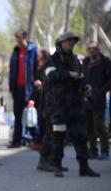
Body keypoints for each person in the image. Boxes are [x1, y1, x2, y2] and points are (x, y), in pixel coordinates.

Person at [44, 31, 100, 178]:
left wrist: (86, 87)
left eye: (72, 41)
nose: (71, 43)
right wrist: (68, 74)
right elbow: (50, 77)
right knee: (58, 137)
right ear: (60, 43)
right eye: (68, 41)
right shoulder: (52, 60)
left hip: (76, 104)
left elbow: (81, 78)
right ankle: (57, 166)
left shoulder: (76, 60)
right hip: (59, 105)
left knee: (80, 135)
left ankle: (84, 167)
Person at [8, 30, 38, 148]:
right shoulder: (15, 51)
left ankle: (36, 140)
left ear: (25, 37)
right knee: (18, 115)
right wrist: (11, 86)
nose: (18, 41)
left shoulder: (32, 50)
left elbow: (37, 68)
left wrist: (36, 84)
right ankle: (17, 141)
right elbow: (12, 71)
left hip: (29, 88)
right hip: (17, 88)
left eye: (20, 38)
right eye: (17, 38)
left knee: (30, 114)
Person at [82, 41, 111, 160]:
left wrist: (99, 91)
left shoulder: (105, 62)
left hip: (98, 97)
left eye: (94, 48)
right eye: (89, 48)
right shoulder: (86, 62)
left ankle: (105, 150)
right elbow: (83, 76)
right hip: (86, 97)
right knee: (88, 126)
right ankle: (92, 150)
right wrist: (84, 88)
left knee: (99, 125)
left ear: (98, 49)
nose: (92, 50)